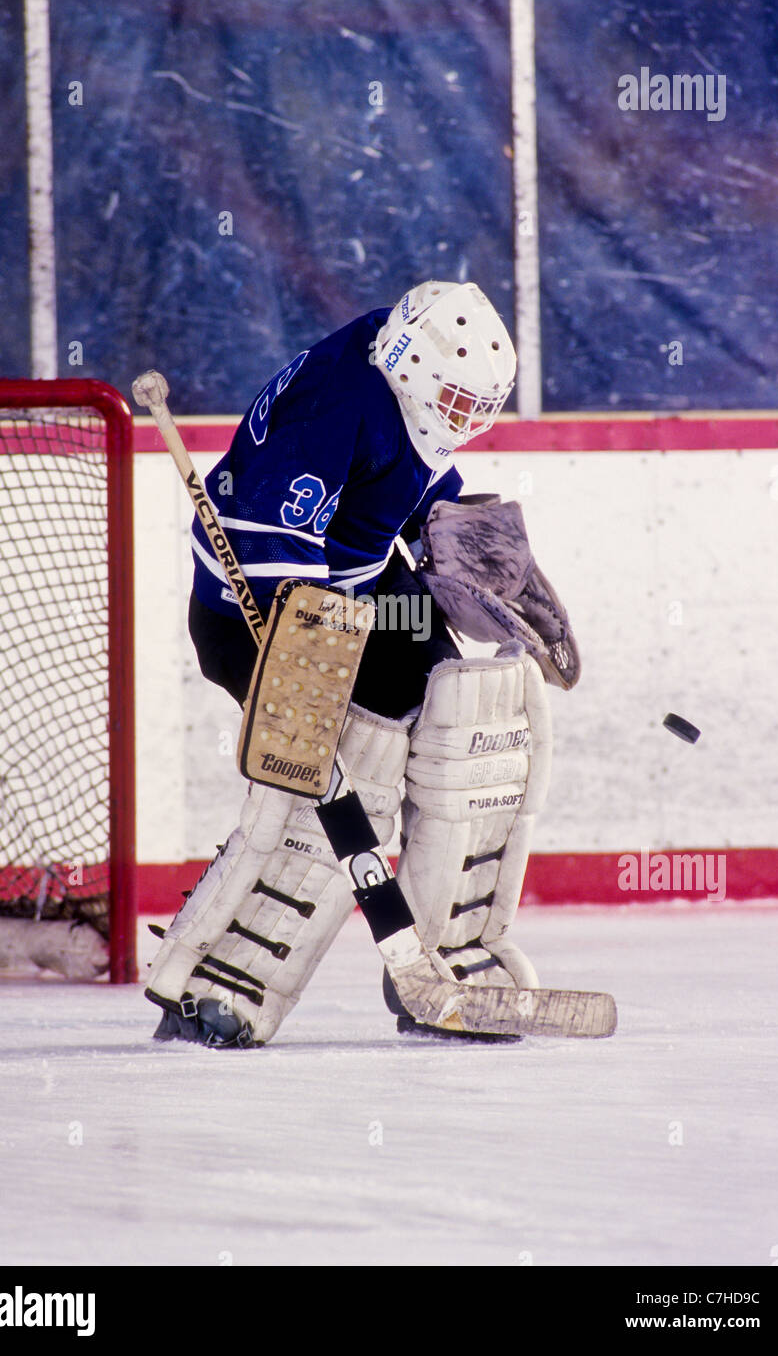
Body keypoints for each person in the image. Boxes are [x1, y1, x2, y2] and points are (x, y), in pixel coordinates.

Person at [145, 281, 578, 1047]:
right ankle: (227, 976)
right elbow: (271, 545)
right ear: (410, 366)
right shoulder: (333, 404)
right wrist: (305, 668)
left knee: (472, 717)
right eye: (454, 401)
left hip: (361, 594)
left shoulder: (400, 359)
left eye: (478, 407)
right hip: (263, 617)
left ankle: (452, 950)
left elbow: (393, 481)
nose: (465, 420)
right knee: (344, 783)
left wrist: (458, 541)